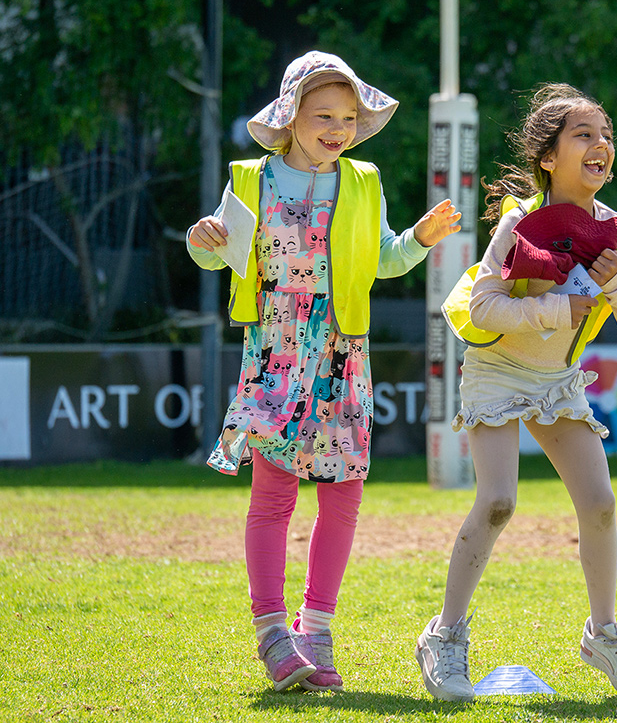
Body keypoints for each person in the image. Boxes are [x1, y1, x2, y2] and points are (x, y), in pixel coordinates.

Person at [187, 51, 460, 693]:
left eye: (348, 117)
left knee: (344, 494)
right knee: (274, 495)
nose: (338, 128)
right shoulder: (250, 179)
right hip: (276, 353)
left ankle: (317, 631)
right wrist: (201, 241)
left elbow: (383, 262)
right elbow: (216, 252)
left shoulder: (364, 181)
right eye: (323, 115)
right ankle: (273, 636)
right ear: (289, 118)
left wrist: (418, 237)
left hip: (343, 353)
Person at [415, 84, 617, 702]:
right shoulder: (519, 223)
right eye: (584, 135)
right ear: (548, 157)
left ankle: (604, 635)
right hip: (497, 370)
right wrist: (558, 306)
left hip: (557, 380)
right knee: (498, 502)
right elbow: (485, 307)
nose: (601, 145)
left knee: (600, 503)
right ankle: (444, 638)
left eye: (606, 134)